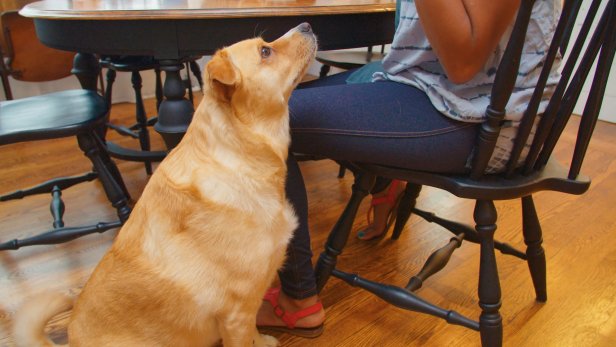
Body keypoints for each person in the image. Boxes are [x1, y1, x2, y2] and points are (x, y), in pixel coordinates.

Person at [256, 0, 561, 336]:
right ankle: (386, 177)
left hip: (484, 119)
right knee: (265, 99)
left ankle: (298, 300)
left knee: (258, 121)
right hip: (431, 87)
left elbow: (462, 64)